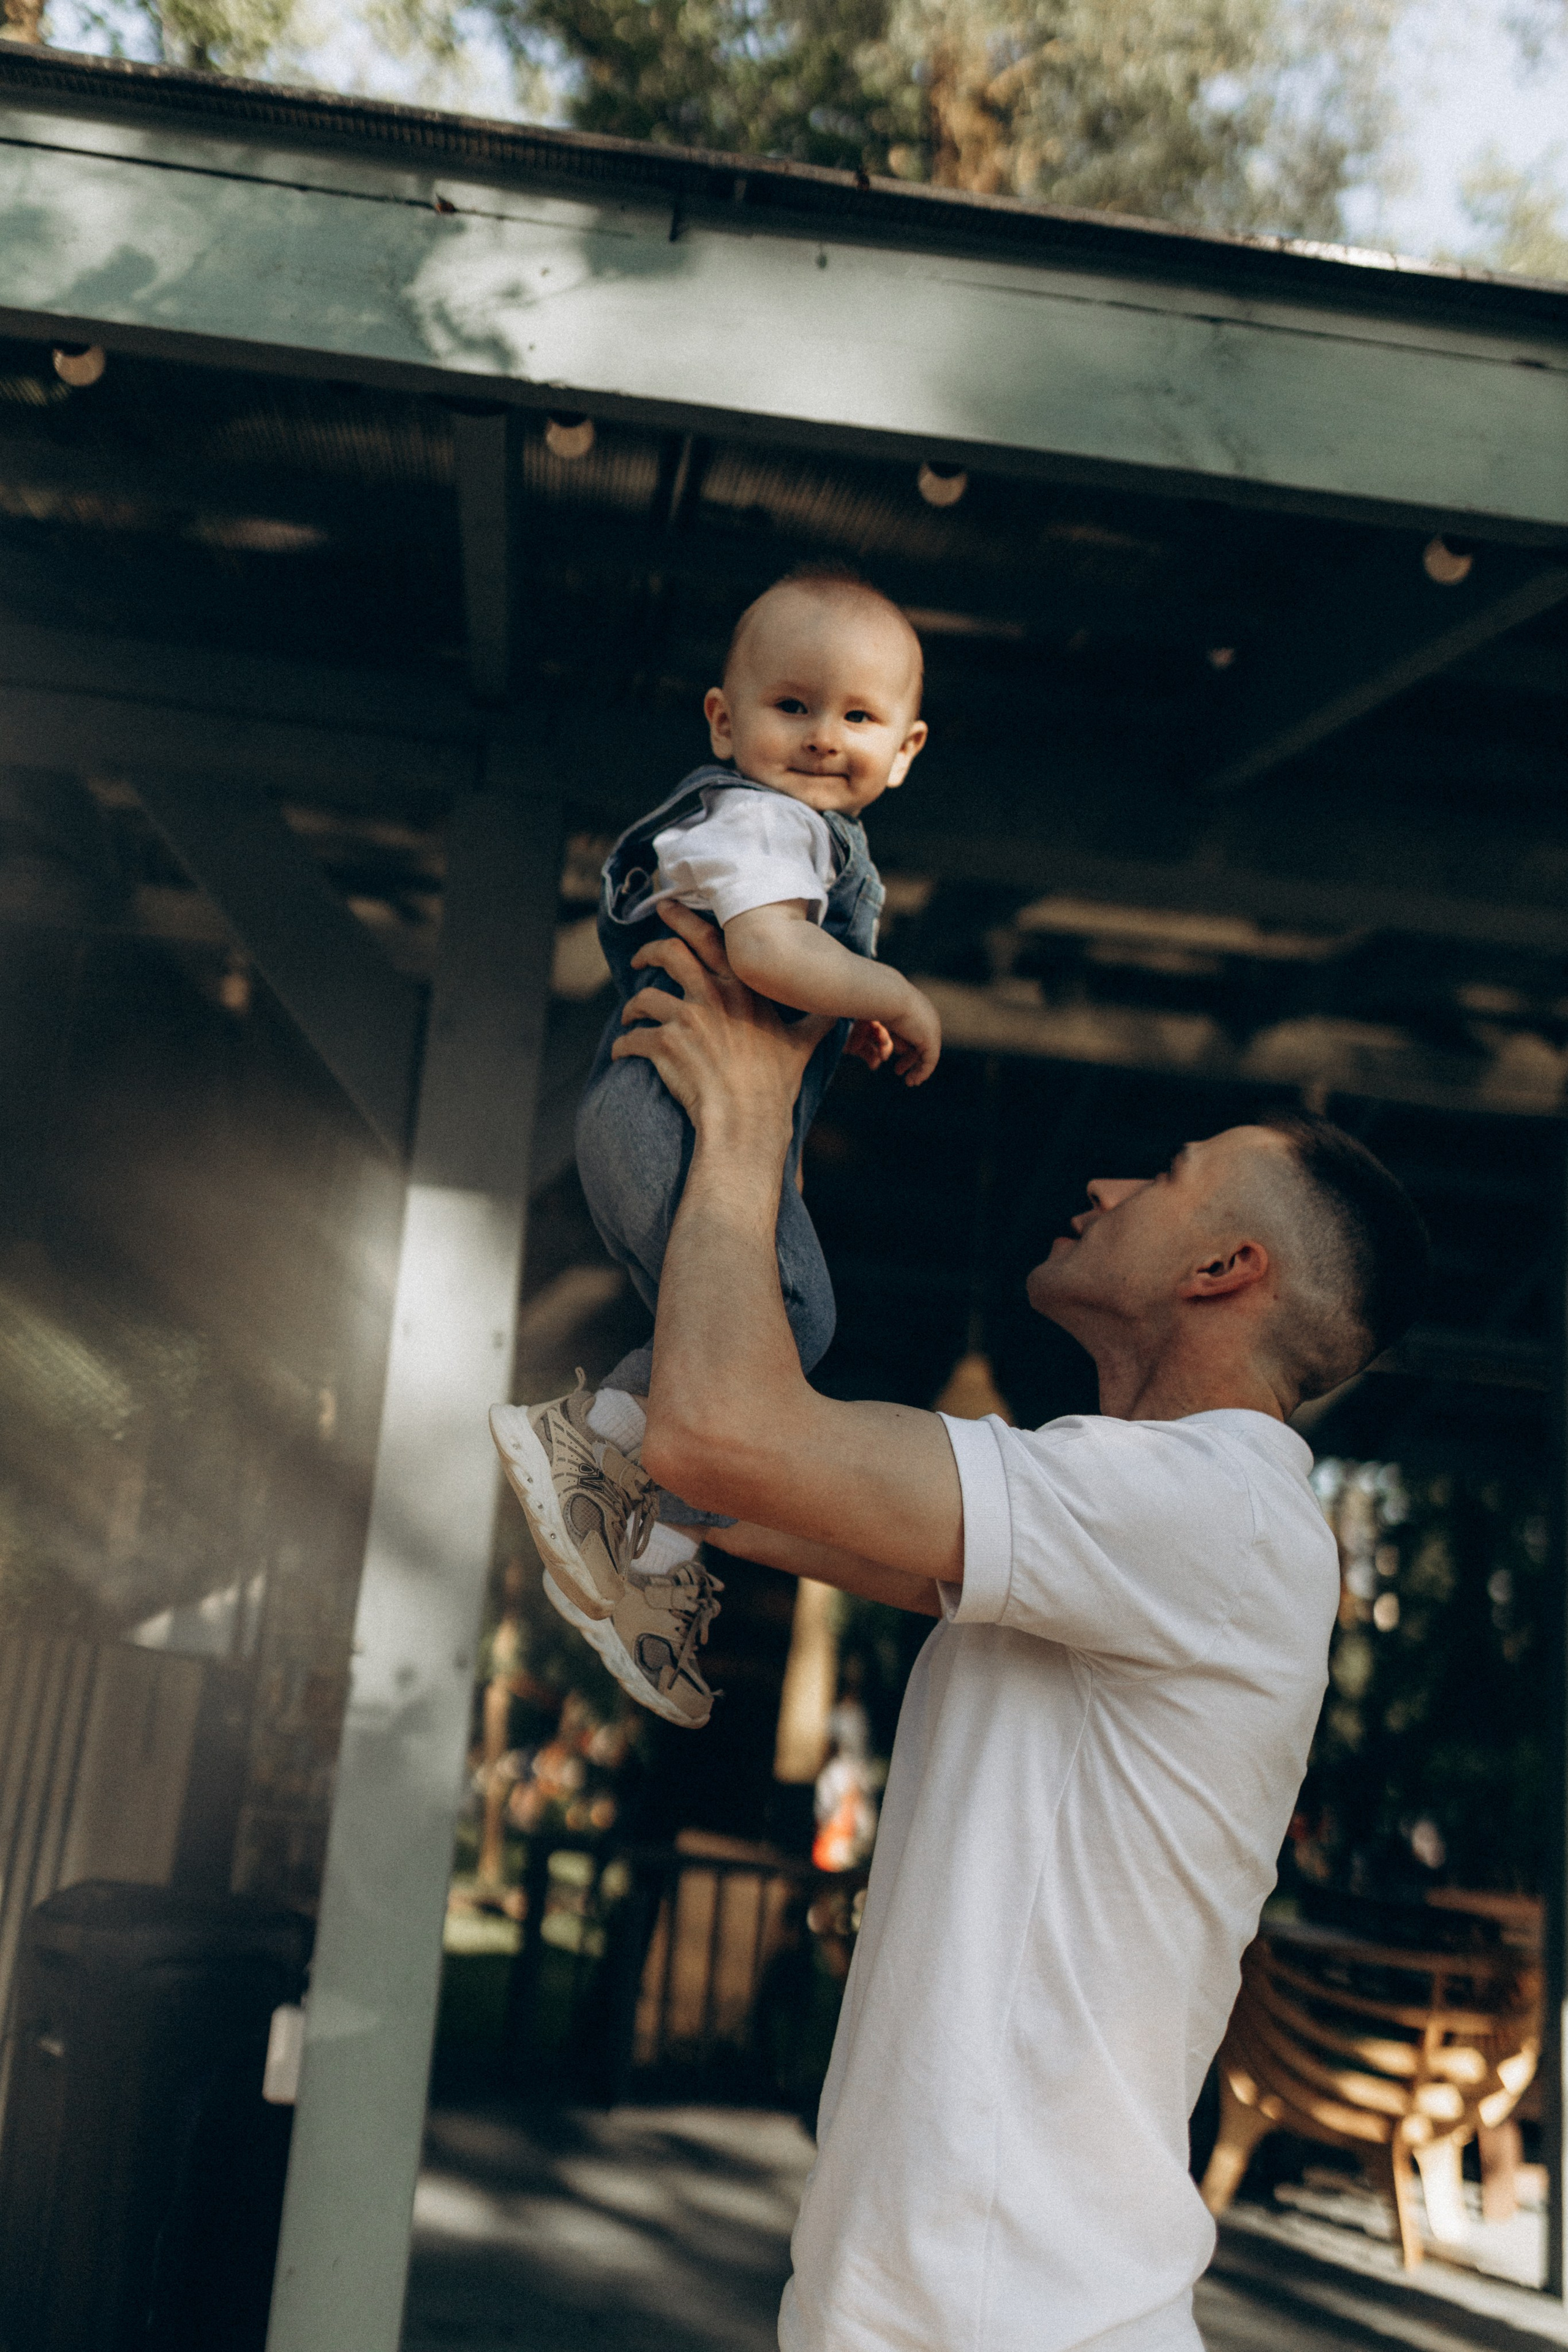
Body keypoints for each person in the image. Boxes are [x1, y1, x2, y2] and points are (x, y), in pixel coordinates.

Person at [603, 903, 1430, 2352]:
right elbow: (727, 1486)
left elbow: (722, 1437)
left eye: (1164, 1177)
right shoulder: (1123, 1531)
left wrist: (748, 1110)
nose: (1105, 1184)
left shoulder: (1215, 1514)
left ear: (1222, 1271)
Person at [490, 564, 940, 1730]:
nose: (825, 737)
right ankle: (599, 1459)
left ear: (906, 749)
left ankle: (643, 1545)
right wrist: (892, 990)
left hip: (670, 1117)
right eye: (793, 706)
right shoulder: (764, 821)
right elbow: (768, 954)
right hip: (669, 1112)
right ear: (723, 722)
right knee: (787, 1318)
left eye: (859, 716)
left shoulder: (798, 837)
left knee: (727, 1339)